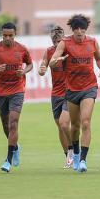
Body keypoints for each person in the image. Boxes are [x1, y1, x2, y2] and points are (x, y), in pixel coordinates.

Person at [49, 14, 100, 173]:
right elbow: (52, 61)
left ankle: (82, 160)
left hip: (89, 87)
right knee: (74, 126)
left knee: (86, 122)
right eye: (76, 29)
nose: (80, 32)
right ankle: (75, 152)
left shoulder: (92, 42)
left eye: (82, 29)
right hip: (72, 90)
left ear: (86, 29)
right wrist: (58, 60)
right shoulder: (64, 43)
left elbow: (99, 58)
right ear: (72, 30)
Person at [0, 22, 33, 173]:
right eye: (5, 35)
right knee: (6, 125)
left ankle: (8, 160)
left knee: (13, 123)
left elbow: (30, 65)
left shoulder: (22, 49)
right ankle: (15, 147)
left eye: (10, 35)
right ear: (2, 34)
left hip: (17, 90)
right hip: (1, 91)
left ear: (15, 34)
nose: (7, 38)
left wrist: (23, 72)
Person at [38, 26, 73, 168]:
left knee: (65, 124)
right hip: (56, 93)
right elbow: (43, 67)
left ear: (63, 39)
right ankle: (68, 156)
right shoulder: (49, 51)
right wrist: (41, 69)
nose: (56, 43)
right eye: (54, 41)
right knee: (60, 126)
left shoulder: (70, 50)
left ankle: (73, 150)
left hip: (69, 92)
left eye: (58, 41)